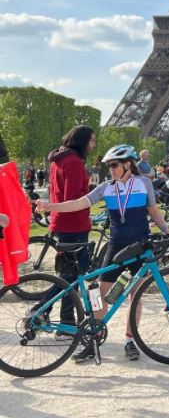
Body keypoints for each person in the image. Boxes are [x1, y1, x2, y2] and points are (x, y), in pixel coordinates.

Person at [37, 144, 169, 362]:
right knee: (101, 293)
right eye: (108, 165)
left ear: (128, 165)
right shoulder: (106, 187)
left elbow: (153, 210)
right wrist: (51, 206)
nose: (110, 169)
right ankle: (95, 337)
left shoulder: (143, 183)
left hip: (140, 245)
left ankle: (130, 341)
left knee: (135, 296)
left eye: (114, 165)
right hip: (116, 245)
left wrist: (166, 230)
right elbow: (80, 203)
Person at [35, 126, 96, 324]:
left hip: (61, 221)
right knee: (73, 275)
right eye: (92, 140)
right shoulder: (75, 163)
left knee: (69, 274)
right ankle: (42, 309)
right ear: (83, 141)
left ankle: (66, 320)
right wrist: (90, 196)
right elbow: (73, 198)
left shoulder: (58, 161)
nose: (93, 145)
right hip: (74, 223)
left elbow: (60, 194)